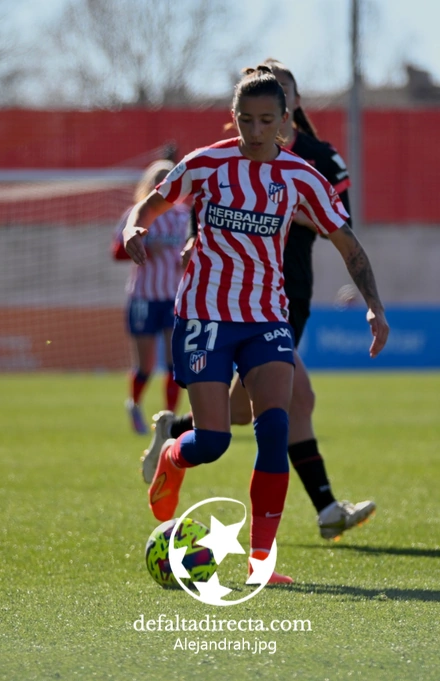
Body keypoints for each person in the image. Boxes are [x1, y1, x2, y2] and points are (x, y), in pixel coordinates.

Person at [122, 66, 389, 584]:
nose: (256, 130)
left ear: (284, 120)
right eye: (246, 120)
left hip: (267, 316)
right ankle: (175, 456)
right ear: (234, 119)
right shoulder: (205, 164)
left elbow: (347, 243)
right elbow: (154, 202)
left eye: (267, 120)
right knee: (216, 441)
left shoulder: (302, 176)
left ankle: (260, 565)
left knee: (275, 428)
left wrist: (374, 305)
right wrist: (137, 226)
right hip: (204, 313)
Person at [111, 160, 190, 434]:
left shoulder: (185, 215)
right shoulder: (137, 213)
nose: (164, 184)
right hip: (144, 297)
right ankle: (134, 404)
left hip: (174, 298)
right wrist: (142, 246)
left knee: (174, 362)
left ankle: (168, 418)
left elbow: (199, 249)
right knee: (145, 365)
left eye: (168, 178)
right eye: (158, 179)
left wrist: (189, 258)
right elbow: (117, 252)